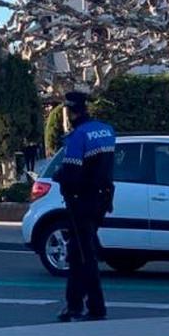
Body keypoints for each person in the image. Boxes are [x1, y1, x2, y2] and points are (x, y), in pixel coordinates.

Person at [54, 91, 115, 322]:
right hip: (102, 199)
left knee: (83, 254)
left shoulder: (78, 136)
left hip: (81, 201)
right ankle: (74, 304)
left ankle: (95, 306)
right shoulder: (107, 130)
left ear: (70, 112)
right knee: (78, 251)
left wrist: (59, 176)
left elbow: (71, 173)